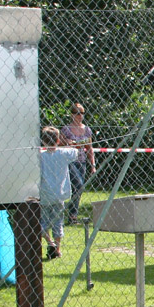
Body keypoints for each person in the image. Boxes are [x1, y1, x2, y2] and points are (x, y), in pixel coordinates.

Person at [39, 126, 80, 259]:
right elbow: (76, 151)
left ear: (43, 141)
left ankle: (49, 242)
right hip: (59, 193)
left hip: (45, 193)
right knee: (58, 222)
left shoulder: (40, 156)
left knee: (43, 221)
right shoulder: (63, 153)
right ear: (58, 140)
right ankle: (57, 248)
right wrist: (67, 143)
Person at [59, 103, 94, 224]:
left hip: (82, 161)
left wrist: (93, 165)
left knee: (78, 189)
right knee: (78, 185)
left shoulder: (87, 130)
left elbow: (89, 148)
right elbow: (59, 144)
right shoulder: (66, 129)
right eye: (77, 113)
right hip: (70, 162)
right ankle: (68, 213)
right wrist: (67, 142)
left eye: (82, 113)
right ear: (72, 114)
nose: (80, 116)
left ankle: (72, 216)